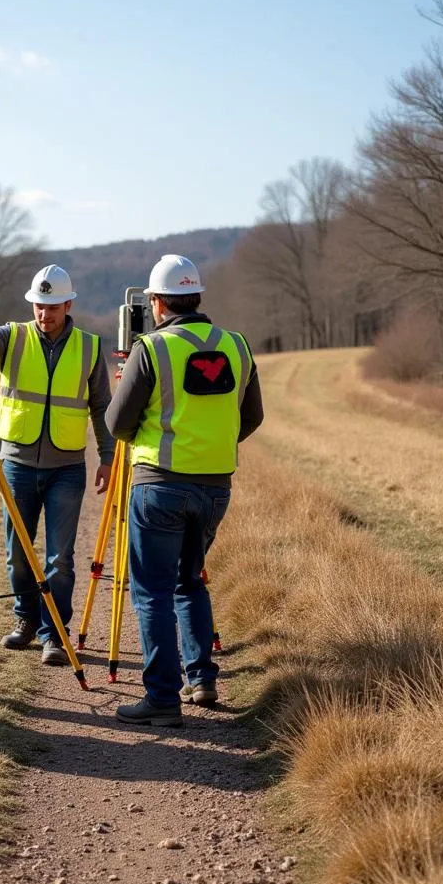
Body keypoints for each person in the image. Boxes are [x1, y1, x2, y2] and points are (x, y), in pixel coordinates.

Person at [105, 254, 264, 727]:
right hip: (215, 489)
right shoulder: (237, 345)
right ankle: (202, 679)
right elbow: (251, 417)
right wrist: (211, 445)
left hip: (159, 486)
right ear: (196, 297)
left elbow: (117, 423)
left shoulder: (151, 349)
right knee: (190, 580)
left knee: (152, 591)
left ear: (156, 302)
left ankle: (161, 699)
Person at [0, 265, 115, 666]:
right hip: (17, 464)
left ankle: (54, 633)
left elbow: (102, 405)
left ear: (68, 304)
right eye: (39, 305)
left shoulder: (89, 347)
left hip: (67, 468)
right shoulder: (11, 337)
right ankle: (25, 620)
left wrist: (106, 457)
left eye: (52, 306)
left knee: (61, 559)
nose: (44, 313)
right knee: (17, 552)